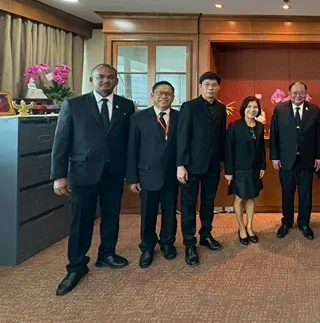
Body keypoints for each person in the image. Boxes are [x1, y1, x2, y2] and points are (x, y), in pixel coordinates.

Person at [51, 64, 135, 295]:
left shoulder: (126, 106)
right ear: (92, 79)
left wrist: (131, 173)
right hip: (82, 173)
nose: (105, 81)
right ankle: (76, 266)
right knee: (81, 221)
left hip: (114, 173)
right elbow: (61, 142)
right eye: (101, 77)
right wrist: (59, 176)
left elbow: (130, 142)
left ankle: (107, 254)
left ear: (116, 80)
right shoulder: (74, 104)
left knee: (111, 216)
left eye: (110, 77)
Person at [126, 81, 179, 268]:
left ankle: (167, 243)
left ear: (173, 97)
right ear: (152, 96)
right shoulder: (138, 118)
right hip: (147, 174)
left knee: (170, 212)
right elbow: (132, 148)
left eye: (168, 93)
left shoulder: (180, 117)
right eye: (160, 93)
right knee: (148, 213)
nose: (164, 96)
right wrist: (132, 178)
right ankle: (147, 247)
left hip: (172, 175)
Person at [177, 71, 227, 266]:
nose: (210, 88)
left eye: (214, 85)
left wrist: (222, 160)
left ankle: (206, 235)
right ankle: (190, 243)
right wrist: (180, 165)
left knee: (208, 203)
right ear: (200, 86)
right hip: (191, 165)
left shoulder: (221, 108)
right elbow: (182, 137)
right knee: (189, 205)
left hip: (213, 165)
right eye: (207, 84)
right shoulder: (189, 107)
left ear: (218, 87)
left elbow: (221, 136)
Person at [270, 81, 320, 240]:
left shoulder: (314, 110)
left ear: (306, 93)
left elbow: (319, 136)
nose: (298, 95)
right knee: (287, 193)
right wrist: (274, 157)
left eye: (301, 92)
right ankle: (286, 222)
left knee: (306, 194)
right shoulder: (280, 109)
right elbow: (274, 134)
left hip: (307, 160)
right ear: (289, 93)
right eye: (294, 92)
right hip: (286, 160)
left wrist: (319, 156)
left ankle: (304, 223)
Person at [225, 96, 266, 245]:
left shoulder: (259, 126)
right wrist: (229, 171)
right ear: (244, 108)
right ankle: (241, 228)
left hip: (254, 169)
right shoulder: (235, 126)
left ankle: (249, 227)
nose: (252, 110)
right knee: (239, 198)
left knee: (251, 198)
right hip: (239, 169)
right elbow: (228, 149)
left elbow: (261, 149)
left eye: (255, 107)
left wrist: (262, 166)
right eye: (249, 107)